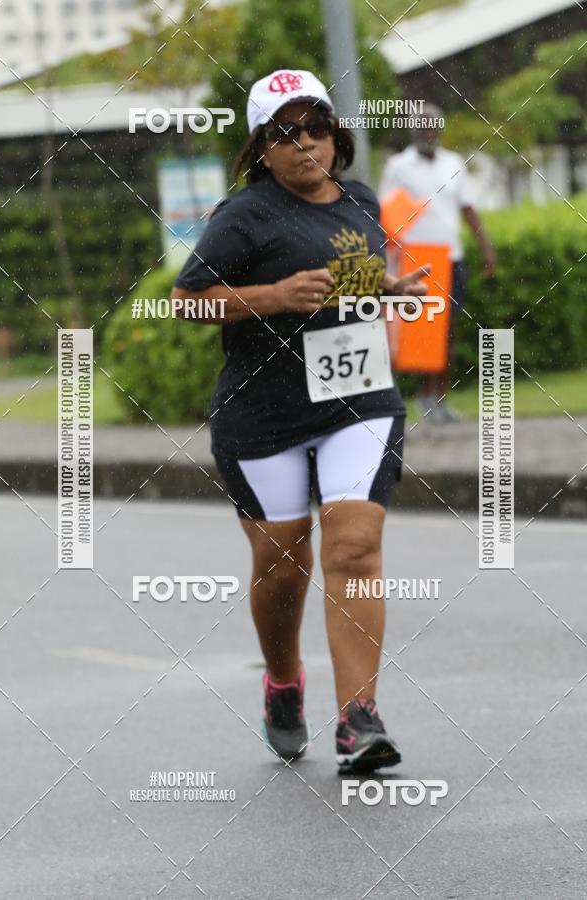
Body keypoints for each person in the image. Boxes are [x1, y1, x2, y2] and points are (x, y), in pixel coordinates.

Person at [171, 69, 428, 775]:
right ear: (262, 147)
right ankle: (283, 683)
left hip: (358, 400)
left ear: (335, 134)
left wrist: (388, 286)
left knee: (355, 548)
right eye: (285, 132)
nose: (305, 142)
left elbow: (344, 273)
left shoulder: (361, 200)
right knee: (283, 565)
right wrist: (274, 296)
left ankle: (359, 721)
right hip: (264, 414)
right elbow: (187, 300)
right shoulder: (243, 216)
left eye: (316, 127)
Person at [378, 103, 496, 423]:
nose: (427, 131)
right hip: (417, 259)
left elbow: (468, 208)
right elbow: (385, 212)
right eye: (421, 125)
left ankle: (441, 398)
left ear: (440, 129)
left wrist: (486, 248)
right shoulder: (398, 166)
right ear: (412, 130)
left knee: (448, 331)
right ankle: (423, 399)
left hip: (451, 257)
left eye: (432, 126)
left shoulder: (453, 163)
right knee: (422, 332)